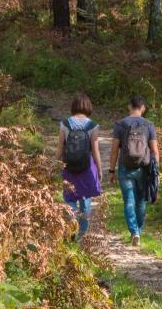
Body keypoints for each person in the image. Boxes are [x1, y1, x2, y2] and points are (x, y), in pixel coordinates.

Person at [108, 94, 159, 247]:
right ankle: (139, 231)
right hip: (144, 168)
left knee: (128, 201)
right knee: (141, 201)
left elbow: (114, 150)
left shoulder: (120, 124)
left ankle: (134, 231)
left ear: (129, 106)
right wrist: (156, 173)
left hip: (125, 167)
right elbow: (155, 151)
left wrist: (111, 170)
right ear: (143, 108)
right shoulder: (149, 125)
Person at [58, 93, 103, 240]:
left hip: (69, 167)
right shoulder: (92, 125)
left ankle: (71, 231)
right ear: (88, 107)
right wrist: (100, 170)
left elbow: (60, 148)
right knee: (85, 202)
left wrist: (54, 165)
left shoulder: (65, 124)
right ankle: (81, 236)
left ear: (73, 106)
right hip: (87, 169)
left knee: (69, 200)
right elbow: (95, 150)